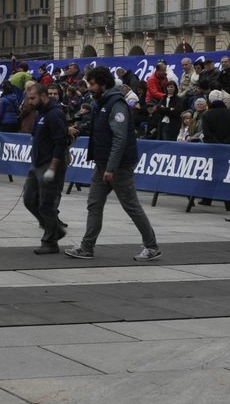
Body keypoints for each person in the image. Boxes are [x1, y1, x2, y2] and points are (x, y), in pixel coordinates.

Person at [66, 65, 160, 262]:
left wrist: (111, 167)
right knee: (94, 204)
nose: (89, 88)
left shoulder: (116, 104)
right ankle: (87, 247)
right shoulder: (101, 102)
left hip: (117, 166)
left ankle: (151, 246)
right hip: (103, 164)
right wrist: (79, 127)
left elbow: (120, 138)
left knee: (131, 205)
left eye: (92, 84)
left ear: (103, 84)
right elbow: (97, 128)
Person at [23, 82, 70, 255]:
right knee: (29, 199)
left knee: (46, 204)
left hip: (49, 164)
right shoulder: (40, 113)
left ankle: (50, 241)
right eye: (29, 98)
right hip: (37, 164)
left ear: (43, 96)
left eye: (33, 98)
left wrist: (53, 167)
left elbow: (60, 141)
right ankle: (55, 229)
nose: (30, 101)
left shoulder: (55, 113)